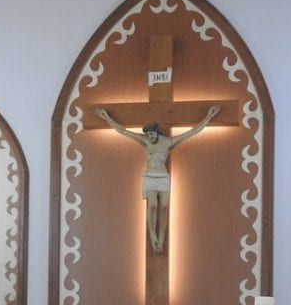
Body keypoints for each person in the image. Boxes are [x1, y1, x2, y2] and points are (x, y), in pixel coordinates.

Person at [95, 105, 221, 253]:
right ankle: (153, 237)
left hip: (163, 177)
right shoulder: (144, 140)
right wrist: (106, 117)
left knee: (164, 209)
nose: (150, 137)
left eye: (152, 134)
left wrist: (208, 117)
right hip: (149, 176)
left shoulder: (168, 142)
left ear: (157, 132)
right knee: (153, 206)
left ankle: (160, 241)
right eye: (148, 134)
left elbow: (192, 132)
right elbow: (123, 131)